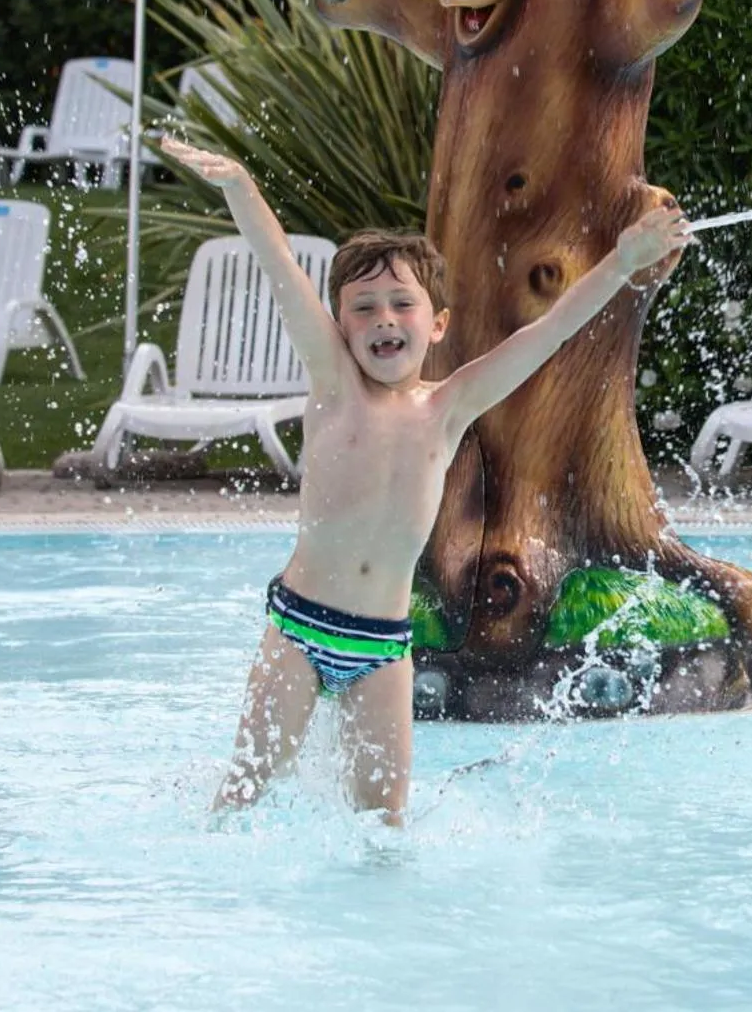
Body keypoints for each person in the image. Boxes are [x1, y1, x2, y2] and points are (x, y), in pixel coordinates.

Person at [158, 137, 691, 825]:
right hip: (297, 630)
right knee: (243, 793)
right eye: (363, 306)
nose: (383, 318)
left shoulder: (448, 409)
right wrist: (237, 186)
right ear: (339, 326)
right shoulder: (334, 388)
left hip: (381, 648)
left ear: (436, 324)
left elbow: (554, 330)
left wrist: (623, 262)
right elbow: (279, 264)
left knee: (383, 822)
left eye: (400, 304)